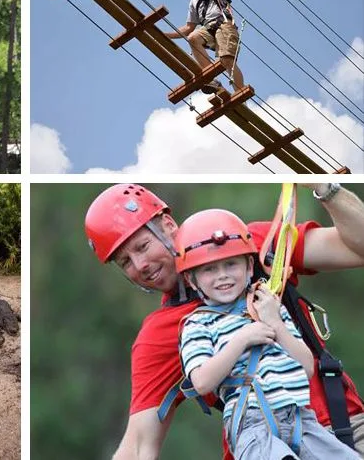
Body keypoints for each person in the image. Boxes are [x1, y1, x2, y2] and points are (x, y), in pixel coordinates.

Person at [84, 184, 364, 459]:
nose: (140, 265)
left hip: (341, 430)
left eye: (142, 246)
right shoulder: (162, 333)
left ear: (167, 225)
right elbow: (137, 447)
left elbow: (357, 248)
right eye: (125, 262)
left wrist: (326, 188)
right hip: (261, 446)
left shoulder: (247, 244)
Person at [175, 209, 359, 459]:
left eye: (231, 264)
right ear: (191, 280)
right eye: (209, 269)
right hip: (252, 424)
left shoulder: (268, 304)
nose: (222, 275)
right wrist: (243, 339)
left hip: (299, 418)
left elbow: (306, 368)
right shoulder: (198, 324)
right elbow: (202, 382)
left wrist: (276, 324)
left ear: (250, 266)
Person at [164, 0, 245, 94]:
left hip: (223, 25)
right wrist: (167, 35)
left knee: (226, 60)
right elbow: (189, 27)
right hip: (208, 28)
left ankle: (240, 93)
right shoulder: (195, 0)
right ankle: (211, 79)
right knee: (193, 38)